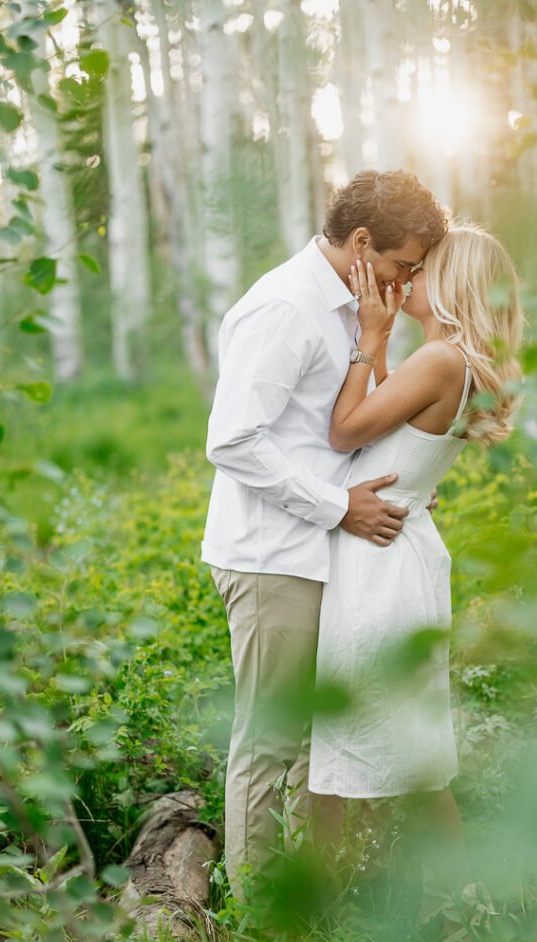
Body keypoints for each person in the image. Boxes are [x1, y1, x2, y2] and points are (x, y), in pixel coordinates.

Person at [202, 170, 449, 903]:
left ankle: (313, 901)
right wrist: (337, 506)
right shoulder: (284, 306)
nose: (407, 279)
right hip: (273, 553)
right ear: (362, 241)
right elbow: (233, 440)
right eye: (403, 263)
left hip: (327, 552)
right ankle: (259, 927)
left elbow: (343, 424)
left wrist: (397, 475)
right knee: (271, 742)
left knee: (320, 742)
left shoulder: (354, 307)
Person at [308, 224, 523, 917]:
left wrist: (368, 337)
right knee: (409, 740)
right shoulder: (452, 360)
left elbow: (345, 432)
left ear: (451, 282)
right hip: (400, 543)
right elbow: (383, 438)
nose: (405, 280)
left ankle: (311, 916)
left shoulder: (438, 361)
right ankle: (461, 902)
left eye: (421, 270)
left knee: (342, 739)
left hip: (378, 559)